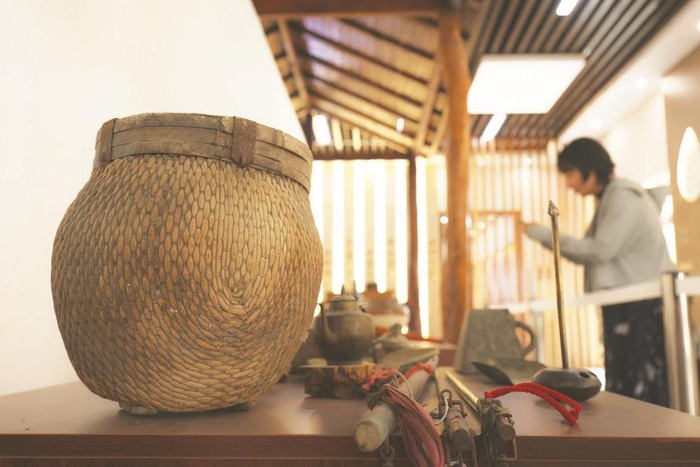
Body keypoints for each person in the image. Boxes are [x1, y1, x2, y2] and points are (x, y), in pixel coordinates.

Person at [524, 137, 674, 407]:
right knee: (630, 383)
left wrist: (545, 235)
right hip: (631, 303)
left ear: (590, 169)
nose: (569, 183)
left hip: (639, 307)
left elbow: (599, 250)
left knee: (638, 386)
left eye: (570, 173)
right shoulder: (613, 197)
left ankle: (642, 434)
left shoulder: (623, 196)